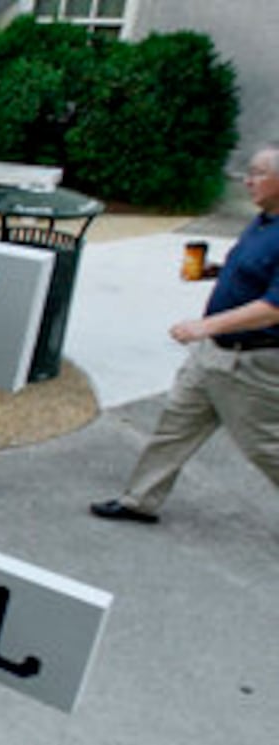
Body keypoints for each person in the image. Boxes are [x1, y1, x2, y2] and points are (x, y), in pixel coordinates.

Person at [91, 143, 279, 524]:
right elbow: (252, 273)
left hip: (250, 363)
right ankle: (138, 501)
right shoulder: (263, 220)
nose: (247, 180)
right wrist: (213, 272)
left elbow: (272, 308)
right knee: (175, 426)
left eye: (258, 173)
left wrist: (204, 326)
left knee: (266, 448)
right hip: (213, 354)